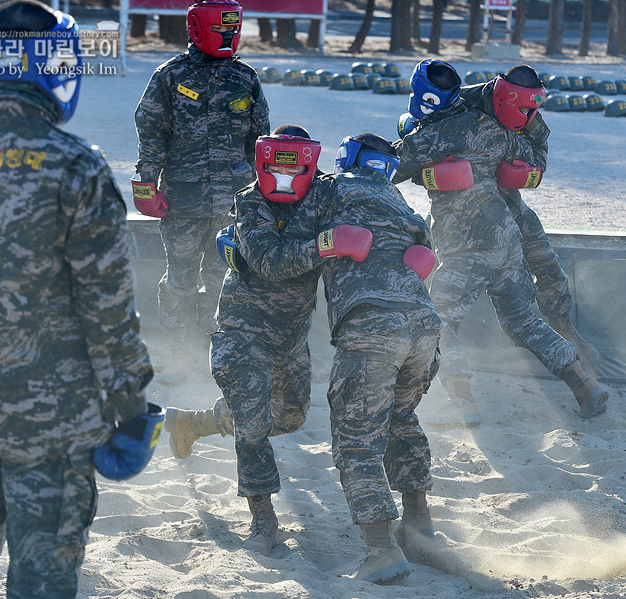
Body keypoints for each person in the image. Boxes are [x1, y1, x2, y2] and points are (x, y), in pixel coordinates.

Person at [0, 1, 160, 597]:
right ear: (56, 65)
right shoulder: (77, 168)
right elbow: (108, 312)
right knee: (43, 583)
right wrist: (131, 407)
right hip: (53, 429)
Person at [235, 133, 441, 584]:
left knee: (356, 439)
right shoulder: (399, 200)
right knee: (401, 416)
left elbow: (284, 242)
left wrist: (237, 239)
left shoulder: (327, 189)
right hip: (424, 326)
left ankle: (383, 550)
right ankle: (421, 525)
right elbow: (428, 254)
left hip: (372, 326)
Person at [394, 59, 610, 422]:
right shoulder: (492, 130)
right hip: (506, 240)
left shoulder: (432, 136)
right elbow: (523, 153)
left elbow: (389, 167)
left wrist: (413, 165)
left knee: (436, 321)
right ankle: (585, 384)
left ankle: (463, 402)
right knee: (523, 321)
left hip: (468, 246)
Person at [163, 126, 325, 556]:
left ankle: (191, 423)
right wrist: (327, 246)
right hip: (242, 329)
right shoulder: (250, 202)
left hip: (291, 335)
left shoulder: (324, 195)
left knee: (288, 418)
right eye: (274, 164)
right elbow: (271, 263)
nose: (283, 175)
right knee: (253, 425)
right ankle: (263, 520)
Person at [133, 0, 270, 380]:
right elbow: (151, 134)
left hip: (232, 203)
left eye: (233, 31)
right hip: (183, 200)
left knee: (222, 281)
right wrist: (145, 184)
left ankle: (214, 355)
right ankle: (178, 356)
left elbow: (259, 141)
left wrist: (259, 194)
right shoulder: (170, 77)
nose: (228, 37)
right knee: (180, 280)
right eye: (221, 30)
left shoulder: (245, 78)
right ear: (197, 29)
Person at [458, 65, 601, 366]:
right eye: (521, 108)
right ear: (504, 96)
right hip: (461, 204)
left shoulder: (531, 116)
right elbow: (420, 135)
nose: (526, 115)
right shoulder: (463, 102)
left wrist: (522, 172)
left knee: (544, 257)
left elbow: (540, 161)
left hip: (506, 197)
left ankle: (563, 325)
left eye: (530, 109)